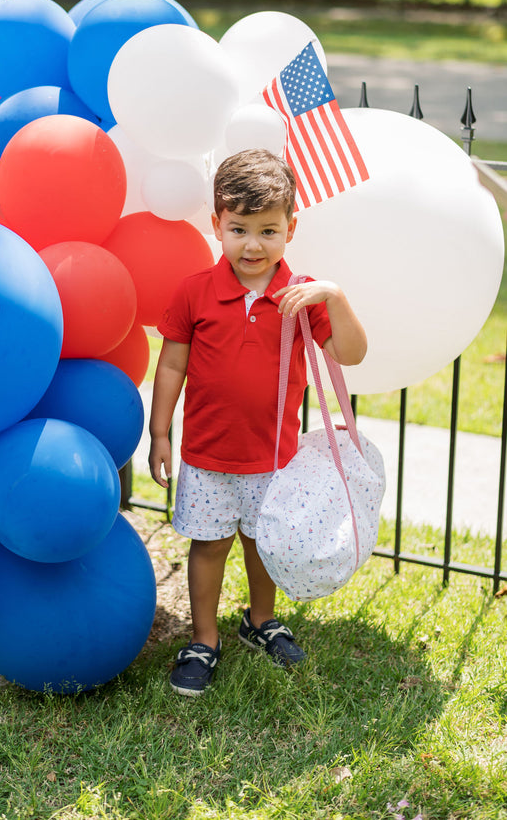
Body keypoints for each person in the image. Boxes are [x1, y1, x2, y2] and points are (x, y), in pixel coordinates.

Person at [148, 148, 367, 696]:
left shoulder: (301, 296)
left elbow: (352, 353)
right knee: (210, 545)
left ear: (291, 228)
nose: (252, 245)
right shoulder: (194, 292)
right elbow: (172, 362)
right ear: (217, 224)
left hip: (274, 459)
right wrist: (160, 432)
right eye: (239, 229)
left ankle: (260, 621)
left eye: (268, 230)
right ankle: (204, 639)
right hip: (205, 455)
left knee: (262, 543)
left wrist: (334, 296)